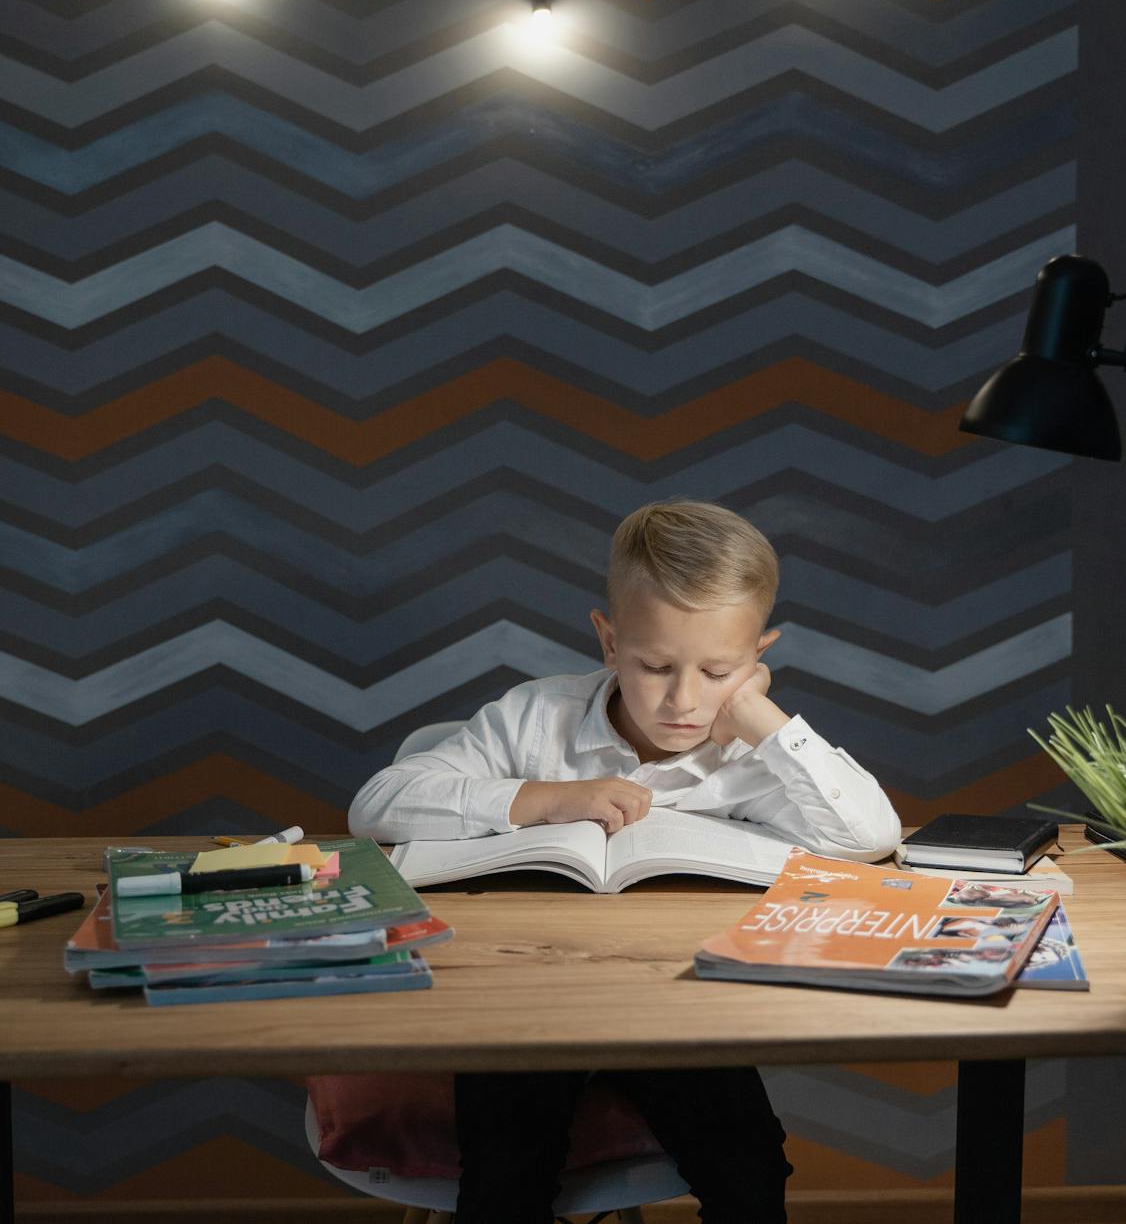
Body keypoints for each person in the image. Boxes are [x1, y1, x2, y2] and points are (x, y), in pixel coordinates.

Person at [350, 499, 903, 1223]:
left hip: (675, 1005)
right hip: (524, 1002)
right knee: (504, 1179)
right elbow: (378, 804)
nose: (684, 699)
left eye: (717, 670)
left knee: (750, 1168)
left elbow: (869, 835)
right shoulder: (532, 719)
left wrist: (765, 723)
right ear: (609, 642)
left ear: (758, 657)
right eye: (655, 665)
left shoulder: (749, 755)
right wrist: (545, 799)